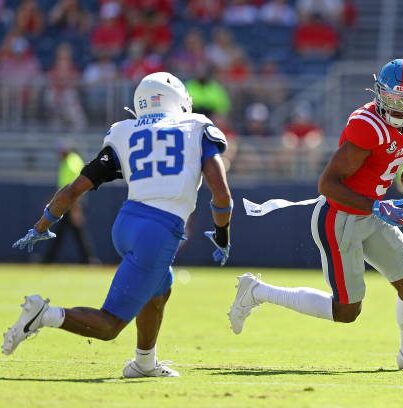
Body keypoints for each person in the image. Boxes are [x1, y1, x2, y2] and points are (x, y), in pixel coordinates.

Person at [4, 72, 233, 378]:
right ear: (179, 100)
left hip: (127, 224)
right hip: (158, 230)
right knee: (109, 324)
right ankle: (43, 315)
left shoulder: (125, 132)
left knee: (160, 288)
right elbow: (221, 195)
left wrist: (43, 224)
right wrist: (222, 232)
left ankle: (144, 363)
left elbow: (73, 189)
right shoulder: (196, 126)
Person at [229, 59, 403, 372]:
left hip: (372, 213)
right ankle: (257, 292)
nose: (400, 108)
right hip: (341, 217)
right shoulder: (367, 126)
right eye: (393, 99)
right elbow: (327, 184)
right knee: (347, 312)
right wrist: (375, 205)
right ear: (379, 94)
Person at [43, 141, 99, 264]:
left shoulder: (71, 163)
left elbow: (74, 189)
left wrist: (76, 209)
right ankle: (88, 259)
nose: (59, 155)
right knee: (69, 232)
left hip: (72, 203)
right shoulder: (68, 161)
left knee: (72, 232)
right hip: (68, 203)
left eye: (60, 152)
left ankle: (88, 259)